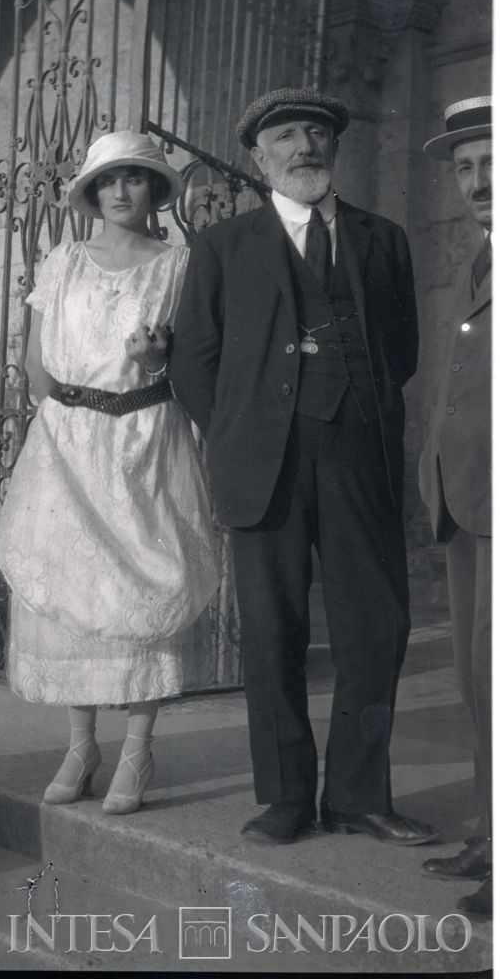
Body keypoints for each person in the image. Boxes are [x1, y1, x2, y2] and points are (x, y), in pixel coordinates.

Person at [171, 87, 440, 847]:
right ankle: (286, 798)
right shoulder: (225, 246)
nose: (303, 148)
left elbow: (402, 351)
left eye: (316, 133)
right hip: (266, 465)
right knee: (272, 631)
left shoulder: (382, 238)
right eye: (285, 136)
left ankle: (358, 795)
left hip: (360, 456)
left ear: (335, 148)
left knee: (376, 628)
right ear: (260, 158)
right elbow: (195, 361)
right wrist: (239, 434)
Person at [0, 130, 221, 815]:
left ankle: (137, 748)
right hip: (69, 441)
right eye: (110, 180)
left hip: (147, 436)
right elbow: (36, 367)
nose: (122, 191)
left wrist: (157, 365)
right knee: (71, 587)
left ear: (154, 190)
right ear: (91, 193)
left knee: (146, 586)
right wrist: (64, 417)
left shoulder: (177, 267)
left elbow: (196, 366)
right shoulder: (61, 261)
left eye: (137, 178)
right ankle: (81, 743)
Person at [418, 97, 492, 918]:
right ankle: (491, 833)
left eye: (492, 162)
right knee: (480, 681)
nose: (478, 181)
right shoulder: (479, 259)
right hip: (469, 503)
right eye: (466, 167)